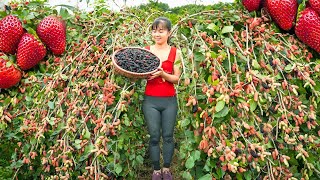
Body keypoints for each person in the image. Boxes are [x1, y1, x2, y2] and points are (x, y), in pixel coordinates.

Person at [142, 17, 182, 180]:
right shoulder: (146, 50)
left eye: (161, 30)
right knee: (153, 136)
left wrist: (163, 74)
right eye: (154, 30)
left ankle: (166, 168)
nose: (157, 34)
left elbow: (177, 79)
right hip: (150, 100)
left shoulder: (175, 52)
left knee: (167, 135)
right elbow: (140, 73)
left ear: (168, 32)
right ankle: (156, 170)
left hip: (169, 101)